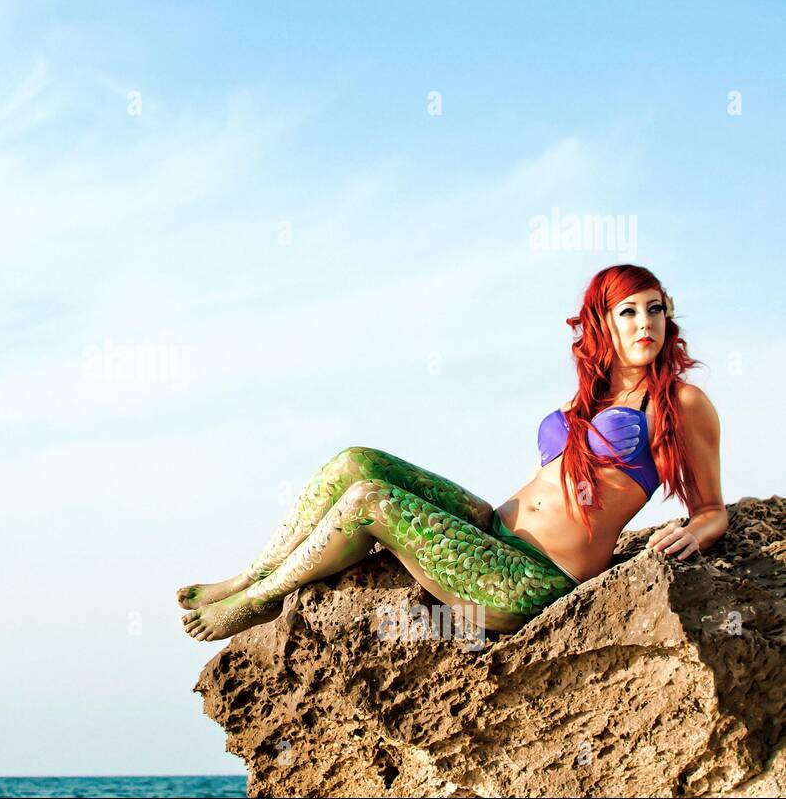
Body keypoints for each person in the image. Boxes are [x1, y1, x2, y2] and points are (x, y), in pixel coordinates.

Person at [179, 264, 727, 641]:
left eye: (654, 310)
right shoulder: (593, 397)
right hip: (492, 529)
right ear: (603, 323)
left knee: (371, 500)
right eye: (628, 312)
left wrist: (695, 532)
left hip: (535, 577)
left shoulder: (680, 401)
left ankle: (262, 600)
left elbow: (711, 510)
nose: (645, 323)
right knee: (355, 460)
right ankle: (249, 576)